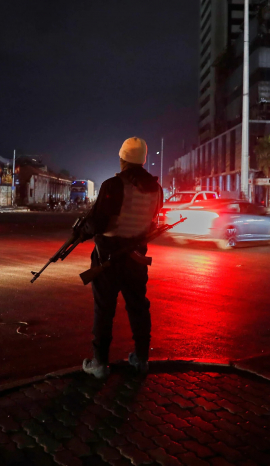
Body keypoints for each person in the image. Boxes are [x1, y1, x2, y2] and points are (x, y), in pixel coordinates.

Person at [78, 137, 163, 379]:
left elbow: (98, 222)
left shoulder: (113, 185)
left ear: (123, 158)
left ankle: (100, 363)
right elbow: (152, 220)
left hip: (108, 259)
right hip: (136, 259)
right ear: (143, 159)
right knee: (138, 307)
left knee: (104, 310)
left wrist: (82, 230)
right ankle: (142, 359)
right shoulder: (156, 188)